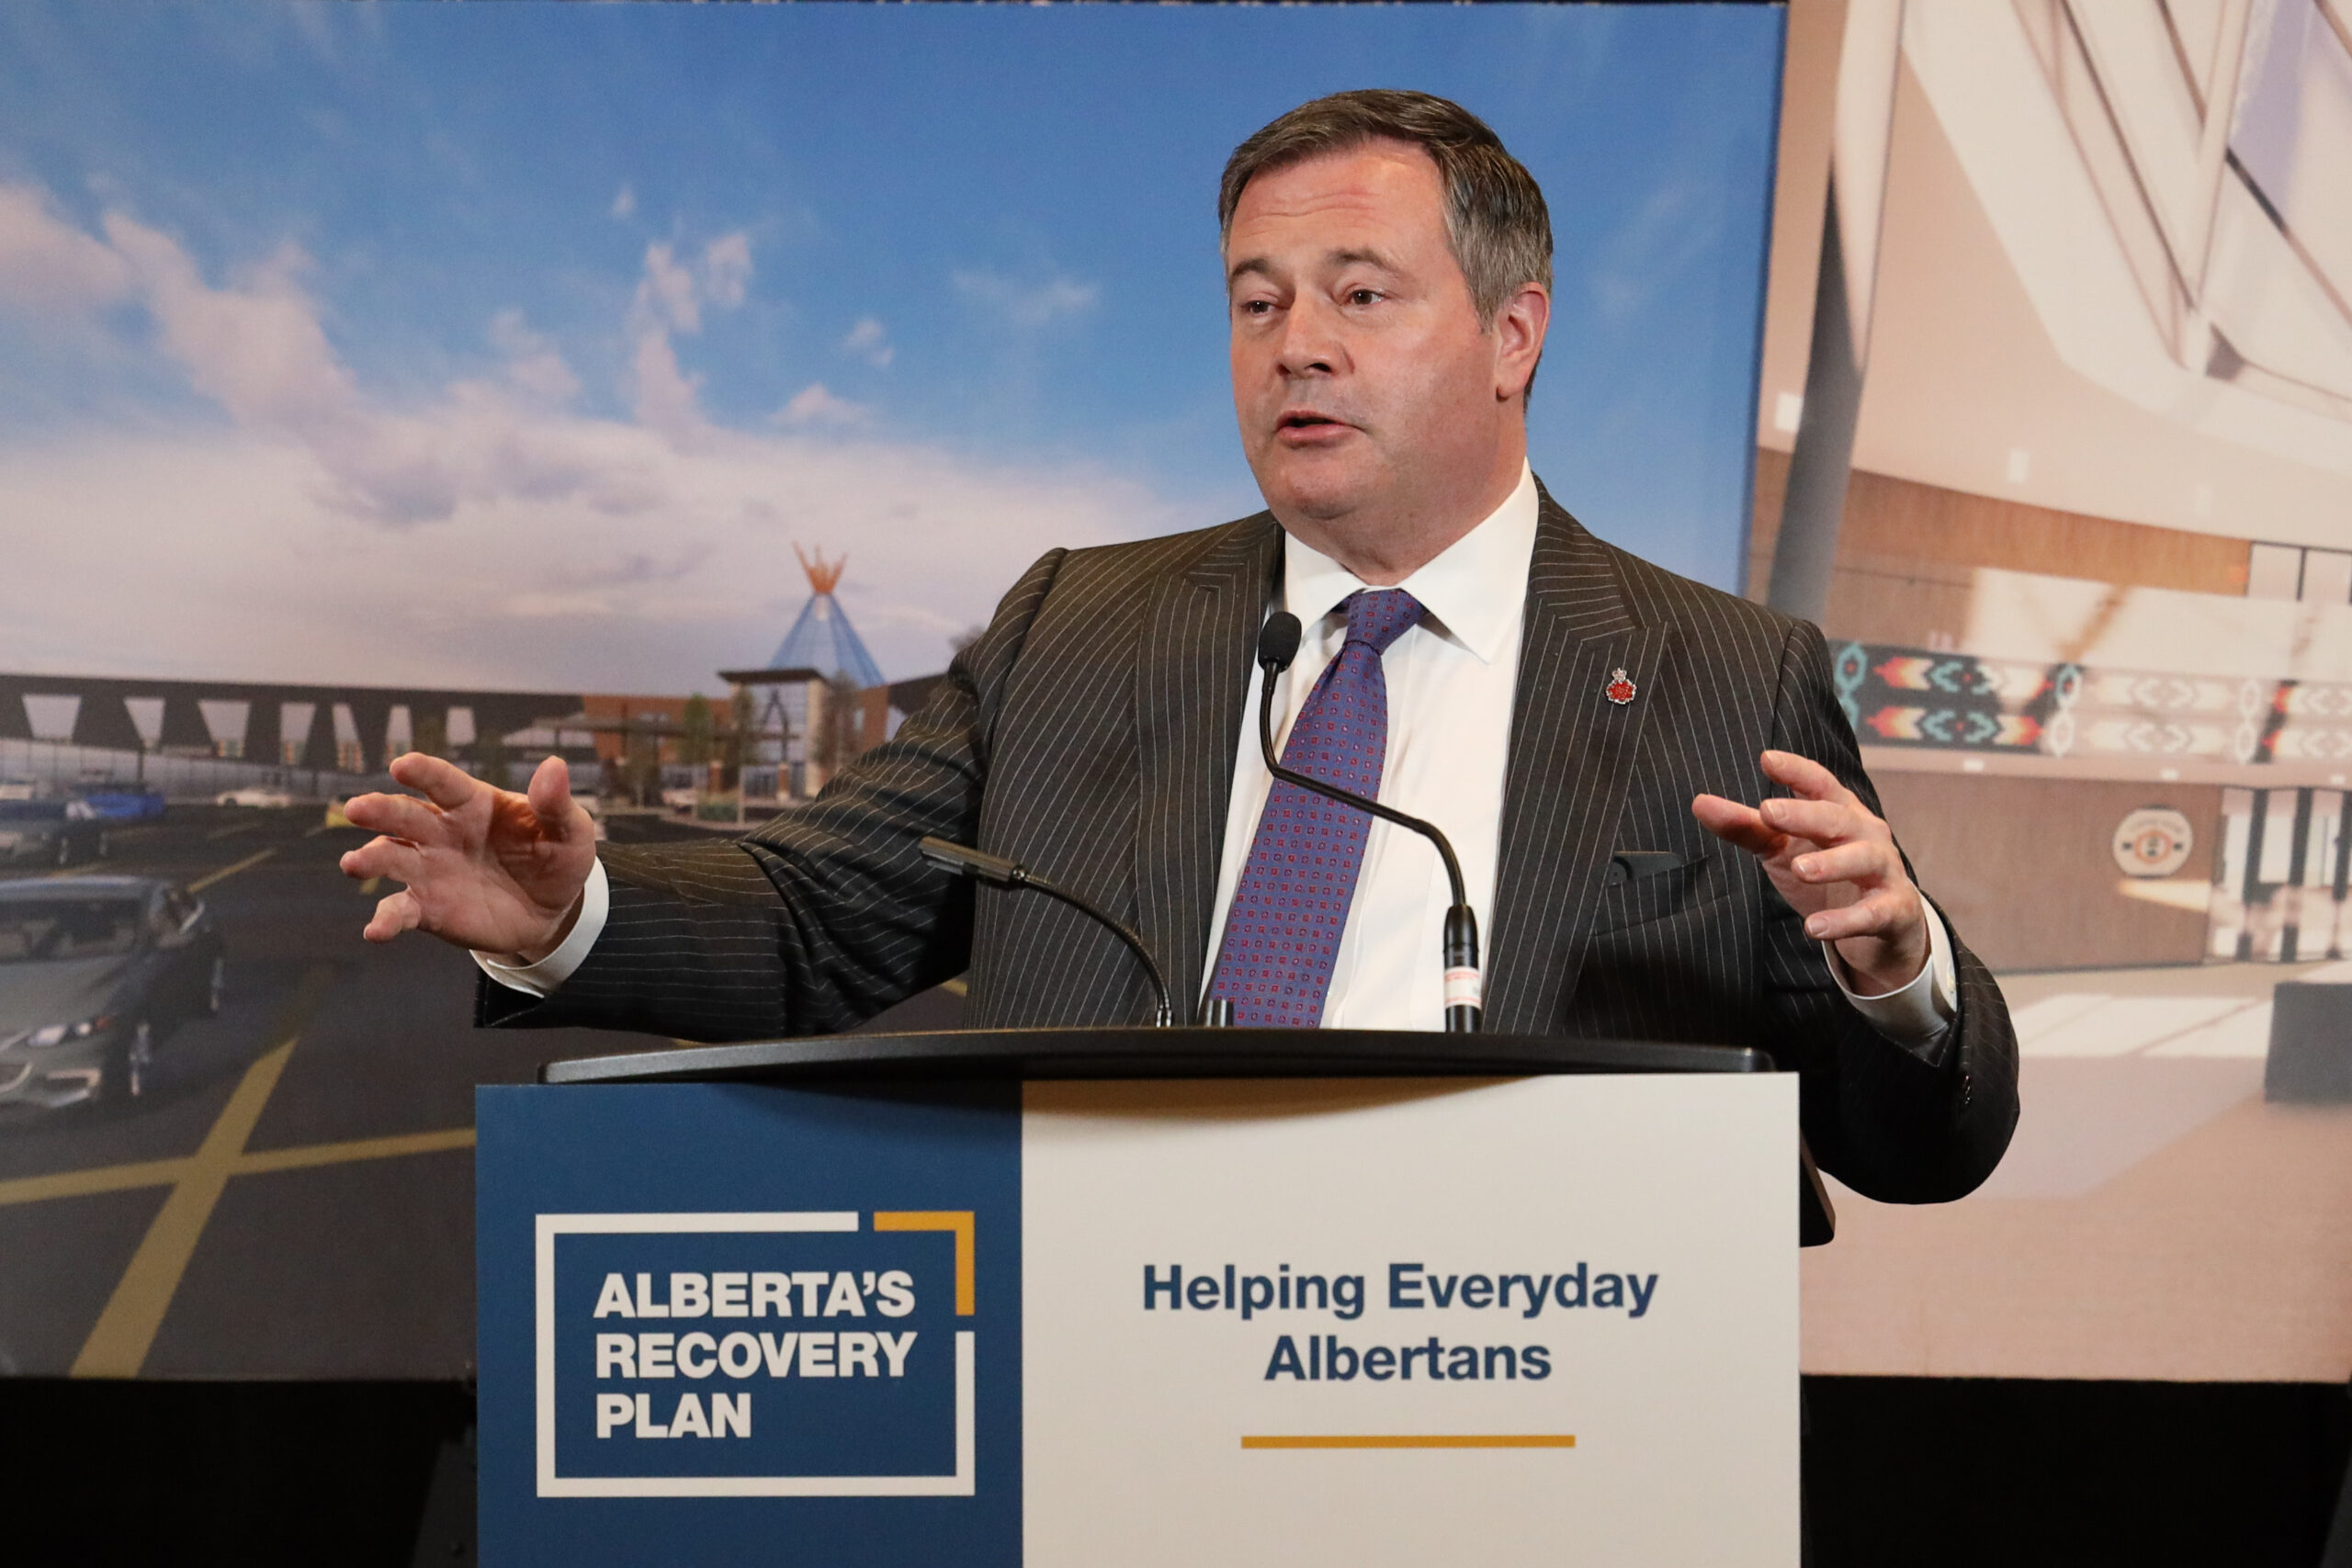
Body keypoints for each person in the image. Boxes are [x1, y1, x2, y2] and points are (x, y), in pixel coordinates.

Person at [340, 90, 2016, 1202]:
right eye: (1255, 299)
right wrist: (573, 913)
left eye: (1361, 295)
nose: (1296, 346)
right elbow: (819, 917)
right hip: (1095, 1379)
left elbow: (1916, 1151)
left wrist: (1899, 979)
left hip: (1517, 1391)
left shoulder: (1724, 673)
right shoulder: (1082, 625)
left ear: (1513, 336)